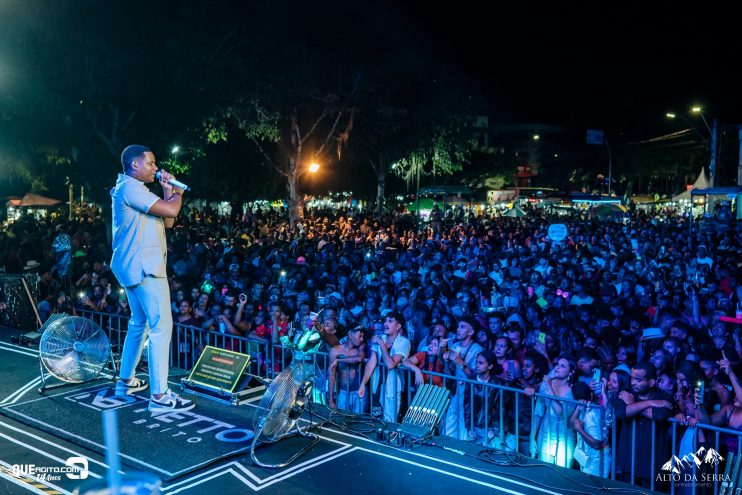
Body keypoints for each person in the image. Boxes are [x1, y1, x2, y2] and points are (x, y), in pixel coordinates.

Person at [110, 144, 193, 414]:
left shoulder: (135, 190)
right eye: (151, 163)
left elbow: (167, 221)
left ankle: (125, 380)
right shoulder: (131, 189)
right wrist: (178, 192)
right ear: (135, 165)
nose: (156, 168)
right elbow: (172, 212)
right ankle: (159, 395)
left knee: (140, 322)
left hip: (132, 265)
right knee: (161, 326)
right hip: (144, 267)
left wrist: (169, 192)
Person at [358, 312, 411, 422]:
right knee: (376, 419)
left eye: (390, 321)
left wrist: (381, 344)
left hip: (393, 387)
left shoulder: (404, 342)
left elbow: (391, 364)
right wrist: (363, 384)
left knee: (390, 420)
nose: (386, 324)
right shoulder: (380, 337)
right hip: (377, 385)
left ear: (398, 326)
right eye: (385, 321)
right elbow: (372, 362)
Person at [328, 325, 366, 413]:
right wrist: (331, 399)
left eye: (363, 337)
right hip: (343, 392)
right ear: (350, 335)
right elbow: (331, 375)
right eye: (360, 336)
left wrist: (339, 360)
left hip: (359, 392)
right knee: (342, 420)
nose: (362, 339)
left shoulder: (361, 347)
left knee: (359, 421)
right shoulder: (335, 350)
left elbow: (359, 359)